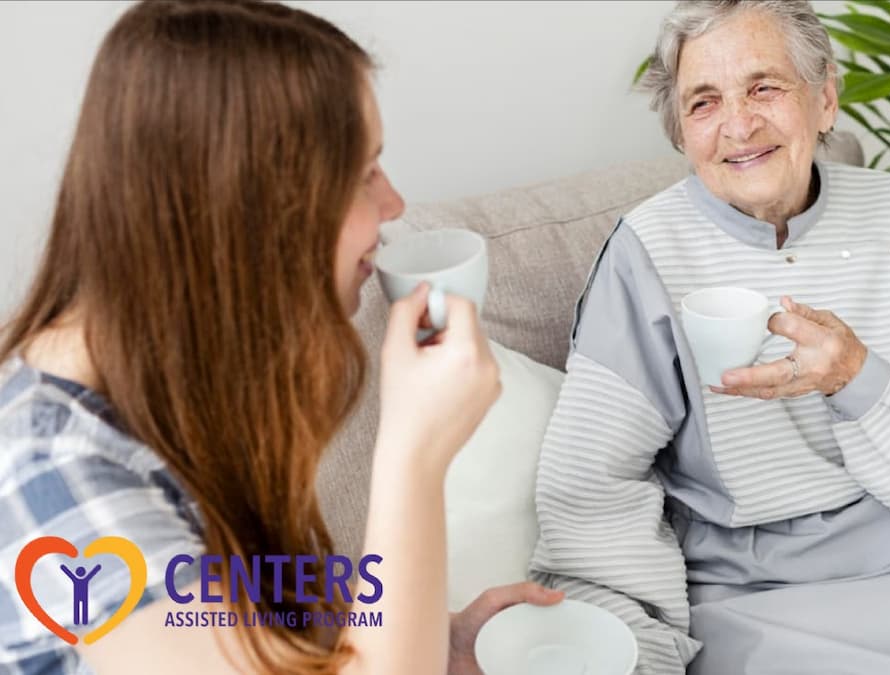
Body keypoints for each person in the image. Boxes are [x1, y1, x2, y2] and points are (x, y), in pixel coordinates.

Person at [0, 2, 561, 673]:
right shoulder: (55, 485)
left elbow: (255, 627)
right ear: (246, 212)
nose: (394, 206)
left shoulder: (183, 383)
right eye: (362, 174)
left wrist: (432, 636)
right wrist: (413, 453)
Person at [529, 1, 890, 673]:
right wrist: (640, 650)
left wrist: (858, 378)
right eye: (704, 102)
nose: (738, 125)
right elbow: (591, 489)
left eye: (764, 86)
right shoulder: (645, 256)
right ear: (681, 132)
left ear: (825, 98)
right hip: (759, 594)